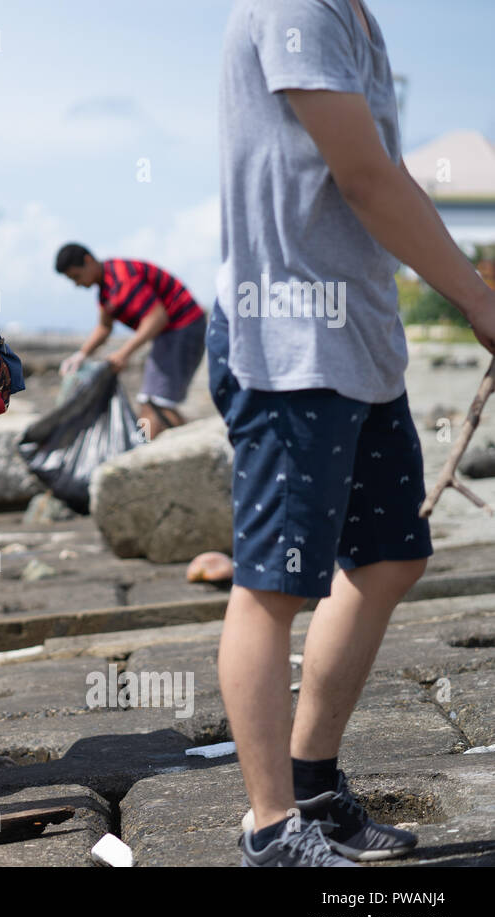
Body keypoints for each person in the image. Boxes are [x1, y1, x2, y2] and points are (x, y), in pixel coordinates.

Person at [214, 0, 495, 866]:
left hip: (357, 339)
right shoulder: (297, 6)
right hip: (291, 342)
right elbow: (365, 178)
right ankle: (271, 829)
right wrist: (478, 299)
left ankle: (315, 789)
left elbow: (382, 175)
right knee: (274, 586)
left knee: (389, 557)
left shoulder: (353, 17)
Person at [56, 244, 207, 438]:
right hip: (167, 335)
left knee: (156, 402)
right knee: (150, 401)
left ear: (88, 261)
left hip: (183, 328)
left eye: (76, 276)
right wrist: (81, 354)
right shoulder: (106, 288)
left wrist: (123, 353)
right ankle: (183, 444)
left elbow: (157, 318)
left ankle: (167, 449)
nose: (77, 284)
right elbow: (104, 327)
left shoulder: (122, 280)